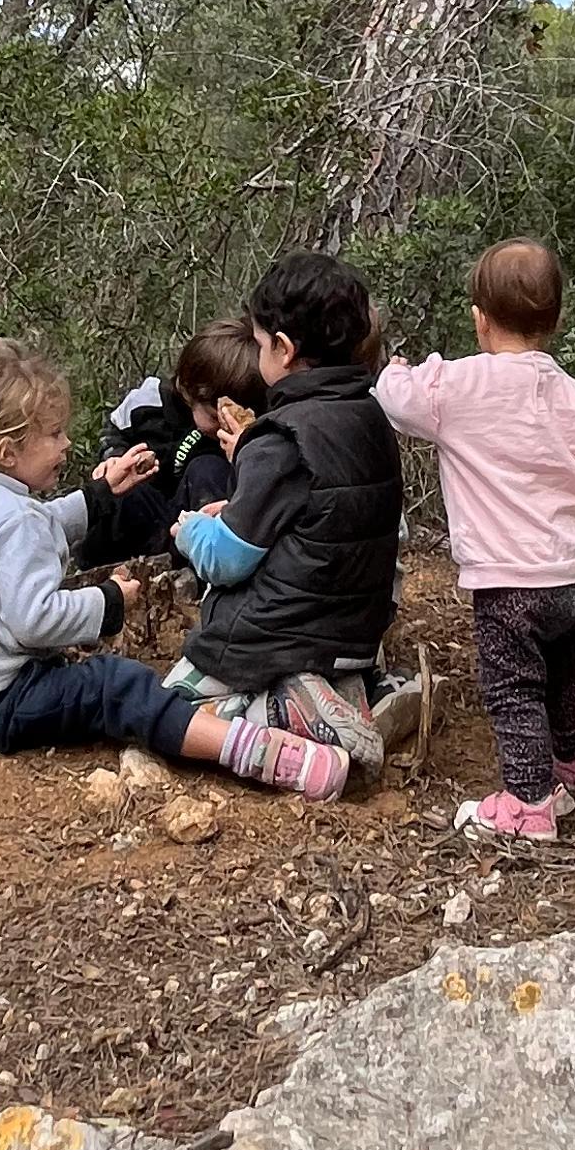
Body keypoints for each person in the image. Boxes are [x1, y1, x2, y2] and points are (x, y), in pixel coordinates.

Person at [0, 340, 349, 797]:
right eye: (55, 435)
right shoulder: (14, 522)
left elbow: (41, 524)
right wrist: (108, 602)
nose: (66, 445)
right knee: (113, 685)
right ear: (7, 451)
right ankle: (252, 752)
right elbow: (35, 620)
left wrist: (100, 496)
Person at [377, 238, 575, 844]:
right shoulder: (573, 395)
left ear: (479, 318)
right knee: (563, 674)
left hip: (509, 582)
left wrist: (397, 367)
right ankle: (572, 765)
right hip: (571, 576)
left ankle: (529, 804)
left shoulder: (460, 387)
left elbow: (398, 400)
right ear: (556, 320)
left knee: (512, 688)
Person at [165, 249, 406, 780]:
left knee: (173, 702)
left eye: (257, 344)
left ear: (284, 349)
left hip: (280, 632)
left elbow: (226, 559)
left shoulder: (280, 437)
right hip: (357, 632)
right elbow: (326, 514)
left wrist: (191, 531)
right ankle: (356, 691)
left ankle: (278, 710)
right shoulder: (371, 416)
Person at [75, 321, 268, 571]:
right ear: (188, 392)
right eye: (213, 416)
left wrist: (243, 450)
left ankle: (196, 574)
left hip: (190, 528)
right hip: (146, 518)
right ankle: (96, 573)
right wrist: (114, 458)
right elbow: (113, 433)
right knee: (125, 491)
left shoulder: (254, 433)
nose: (222, 425)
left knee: (207, 469)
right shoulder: (151, 404)